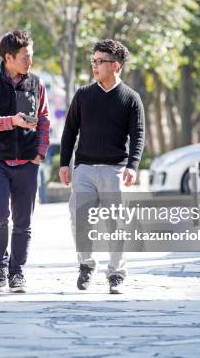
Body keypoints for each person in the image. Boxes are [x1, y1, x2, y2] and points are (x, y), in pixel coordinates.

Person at [59, 39, 145, 294]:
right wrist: (65, 163)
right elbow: (69, 130)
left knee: (116, 224)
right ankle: (86, 265)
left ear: (115, 66)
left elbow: (138, 134)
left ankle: (116, 273)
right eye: (93, 61)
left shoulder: (131, 98)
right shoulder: (83, 94)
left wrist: (133, 166)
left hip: (115, 170)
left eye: (100, 61)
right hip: (84, 168)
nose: (95, 66)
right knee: (78, 218)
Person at [0, 30, 50, 293]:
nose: (29, 61)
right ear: (9, 57)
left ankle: (17, 271)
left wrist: (40, 152)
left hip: (28, 163)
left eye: (31, 55)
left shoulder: (37, 84)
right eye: (25, 56)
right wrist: (11, 121)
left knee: (23, 222)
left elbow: (44, 120)